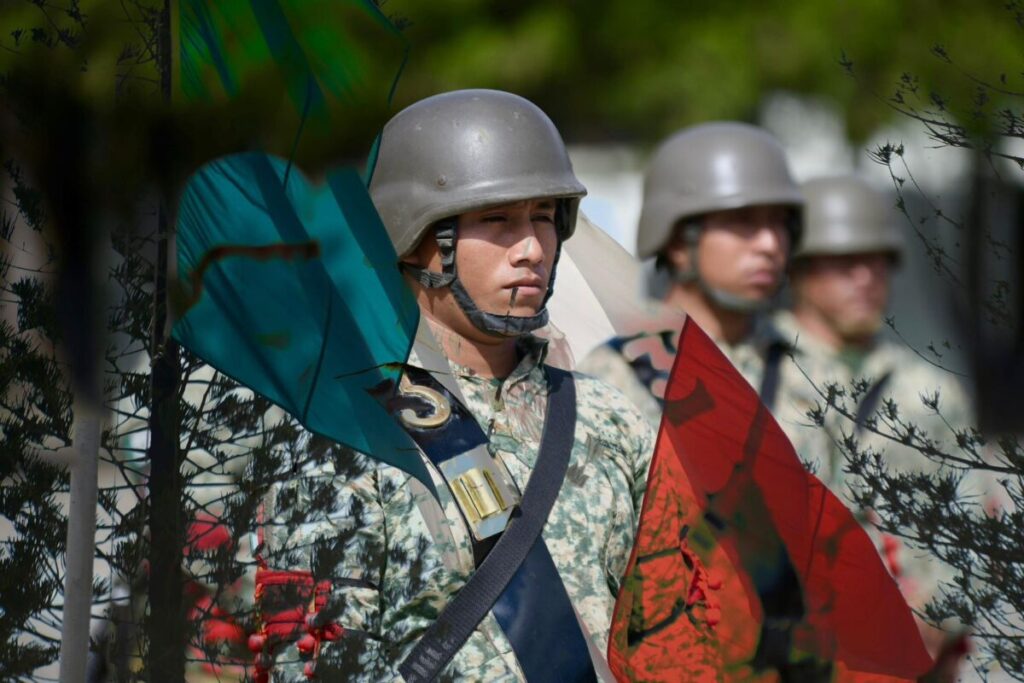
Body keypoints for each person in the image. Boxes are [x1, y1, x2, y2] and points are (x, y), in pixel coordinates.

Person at [261, 89, 654, 681]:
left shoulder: (609, 418)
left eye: (544, 217)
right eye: (497, 220)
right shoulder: (346, 434)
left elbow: (673, 628)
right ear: (415, 237)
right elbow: (314, 662)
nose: (531, 249)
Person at [771, 174, 973, 613]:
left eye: (878, 261)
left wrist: (940, 619)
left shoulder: (930, 392)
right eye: (845, 262)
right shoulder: (756, 378)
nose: (865, 277)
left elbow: (972, 521)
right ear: (799, 268)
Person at [579, 123, 804, 439]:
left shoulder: (808, 372)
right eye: (743, 222)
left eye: (779, 223)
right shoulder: (615, 377)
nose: (770, 244)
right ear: (679, 244)